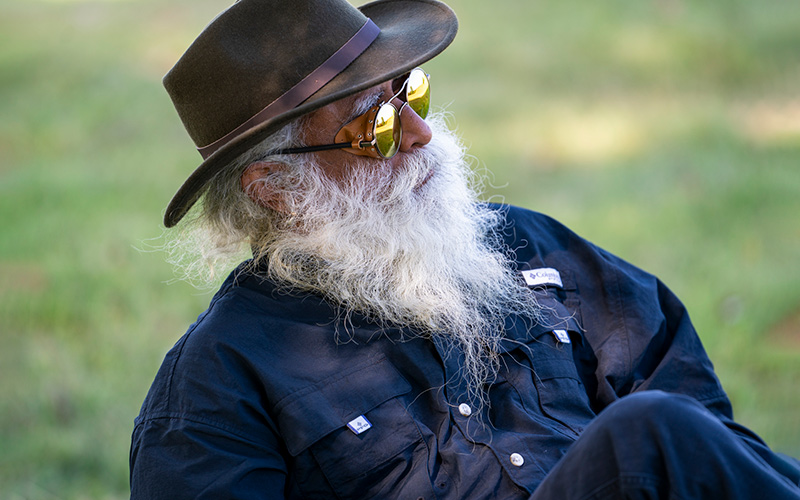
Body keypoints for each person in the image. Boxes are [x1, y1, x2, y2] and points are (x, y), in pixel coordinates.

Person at [129, 0, 800, 498]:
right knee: (646, 437)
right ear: (276, 187)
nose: (421, 133)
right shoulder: (218, 382)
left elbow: (714, 447)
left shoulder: (537, 251)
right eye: (378, 126)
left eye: (408, 92)